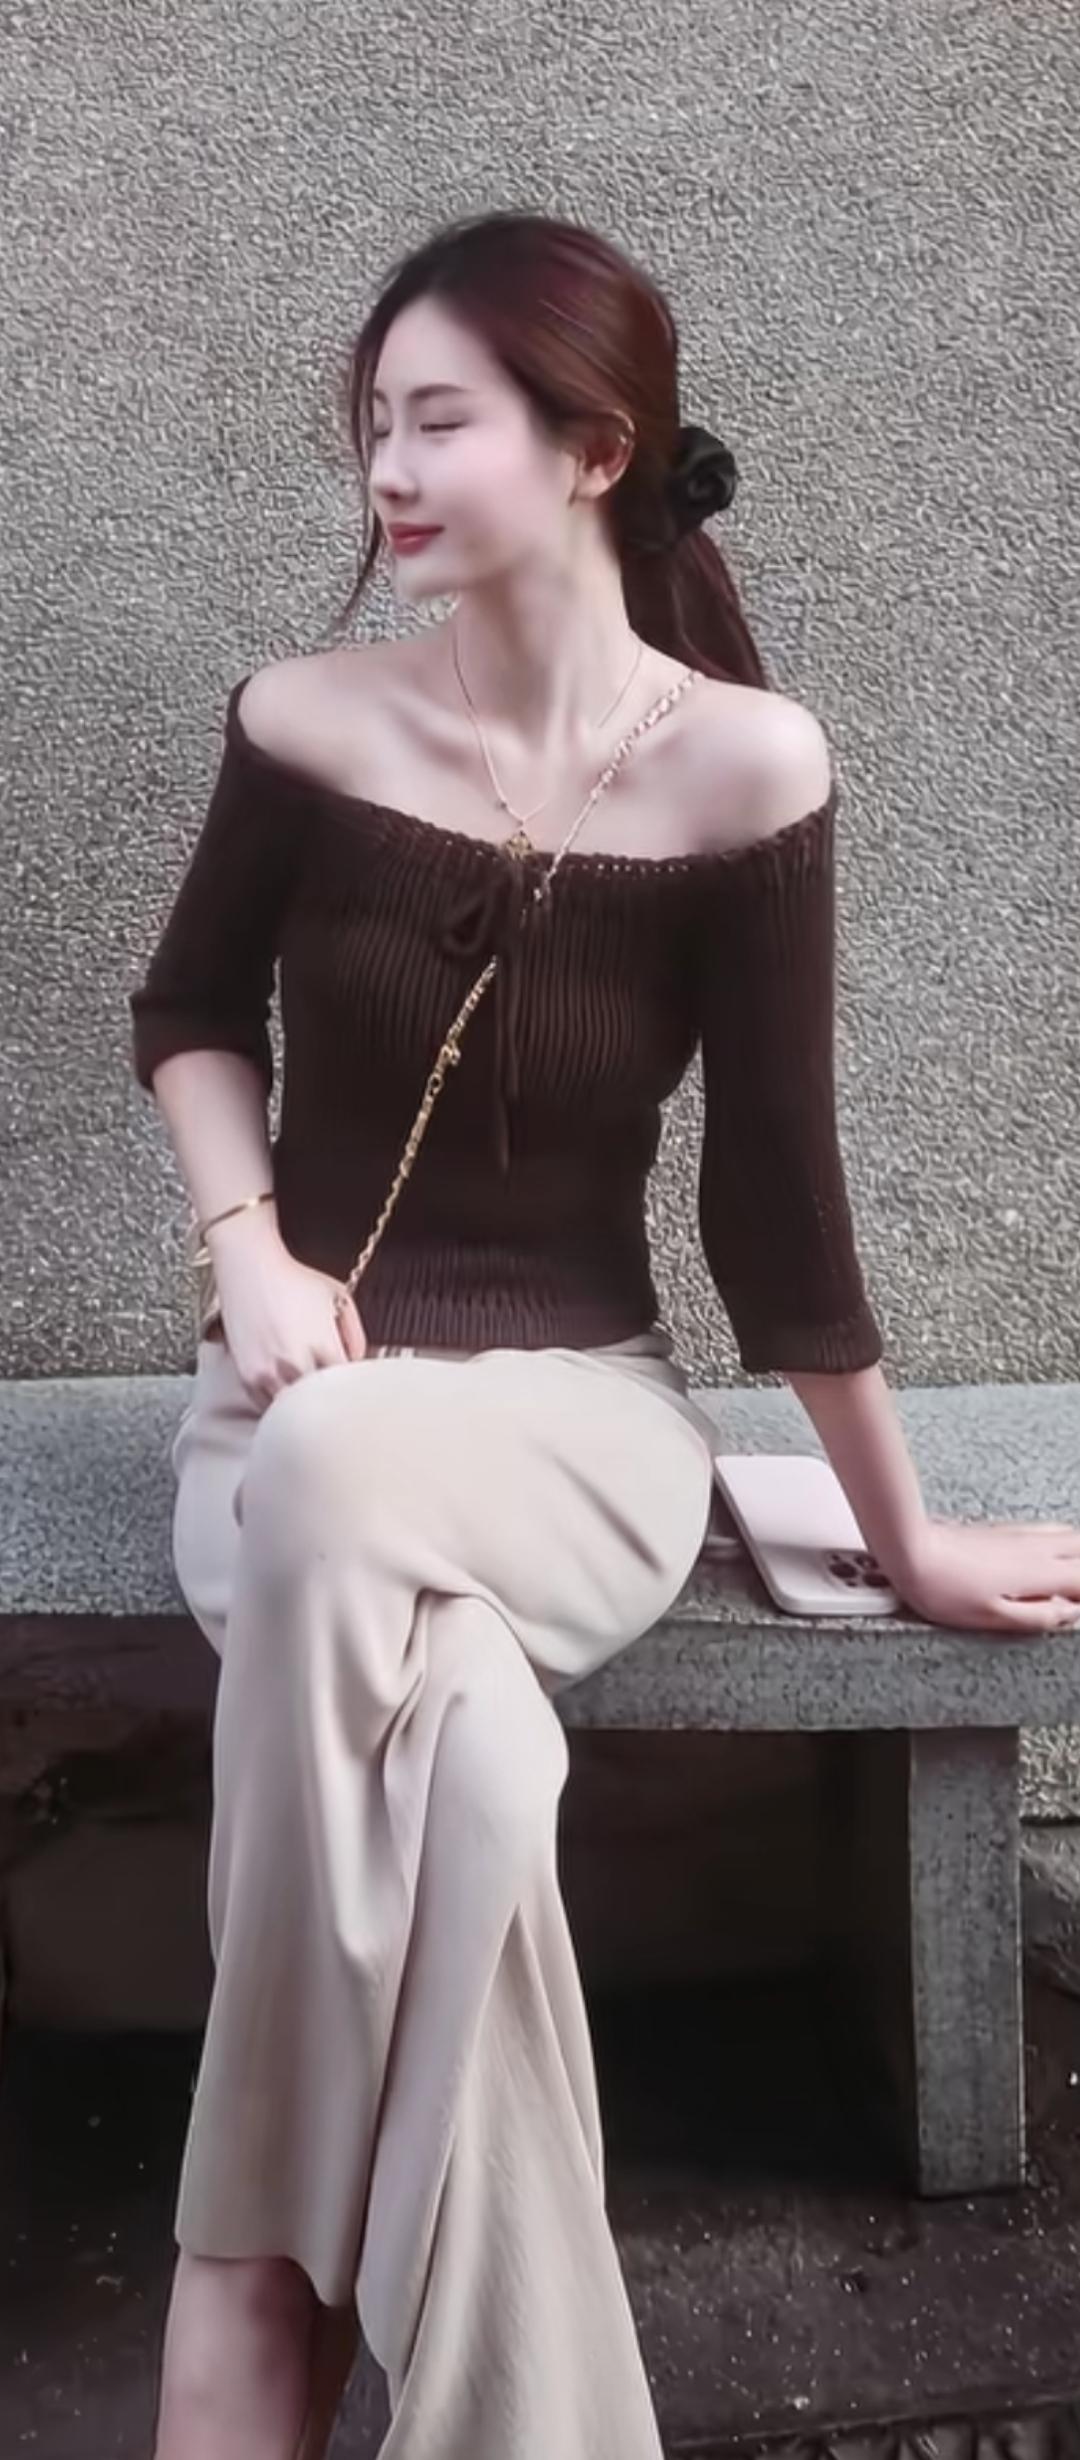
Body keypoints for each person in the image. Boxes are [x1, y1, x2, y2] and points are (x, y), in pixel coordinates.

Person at [128, 209, 1080, 2460]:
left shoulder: (745, 769)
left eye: (439, 419)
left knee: (350, 1473)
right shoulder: (303, 720)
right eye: (373, 421)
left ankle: (245, 2253)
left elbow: (778, 1202)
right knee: (469, 1759)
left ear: (591, 447)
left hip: (574, 1425)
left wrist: (908, 1540)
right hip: (283, 1411)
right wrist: (248, 1252)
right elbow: (187, 1009)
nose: (388, 466)